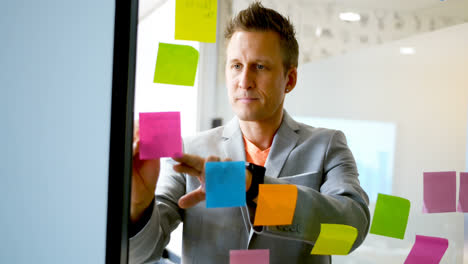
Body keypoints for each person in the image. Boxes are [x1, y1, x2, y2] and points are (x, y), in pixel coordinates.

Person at [129, 2, 370, 264]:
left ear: (289, 79)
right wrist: (139, 205)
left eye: (260, 67)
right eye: (236, 66)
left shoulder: (326, 145)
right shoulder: (189, 151)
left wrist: (254, 186)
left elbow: (351, 230)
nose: (244, 81)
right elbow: (139, 254)